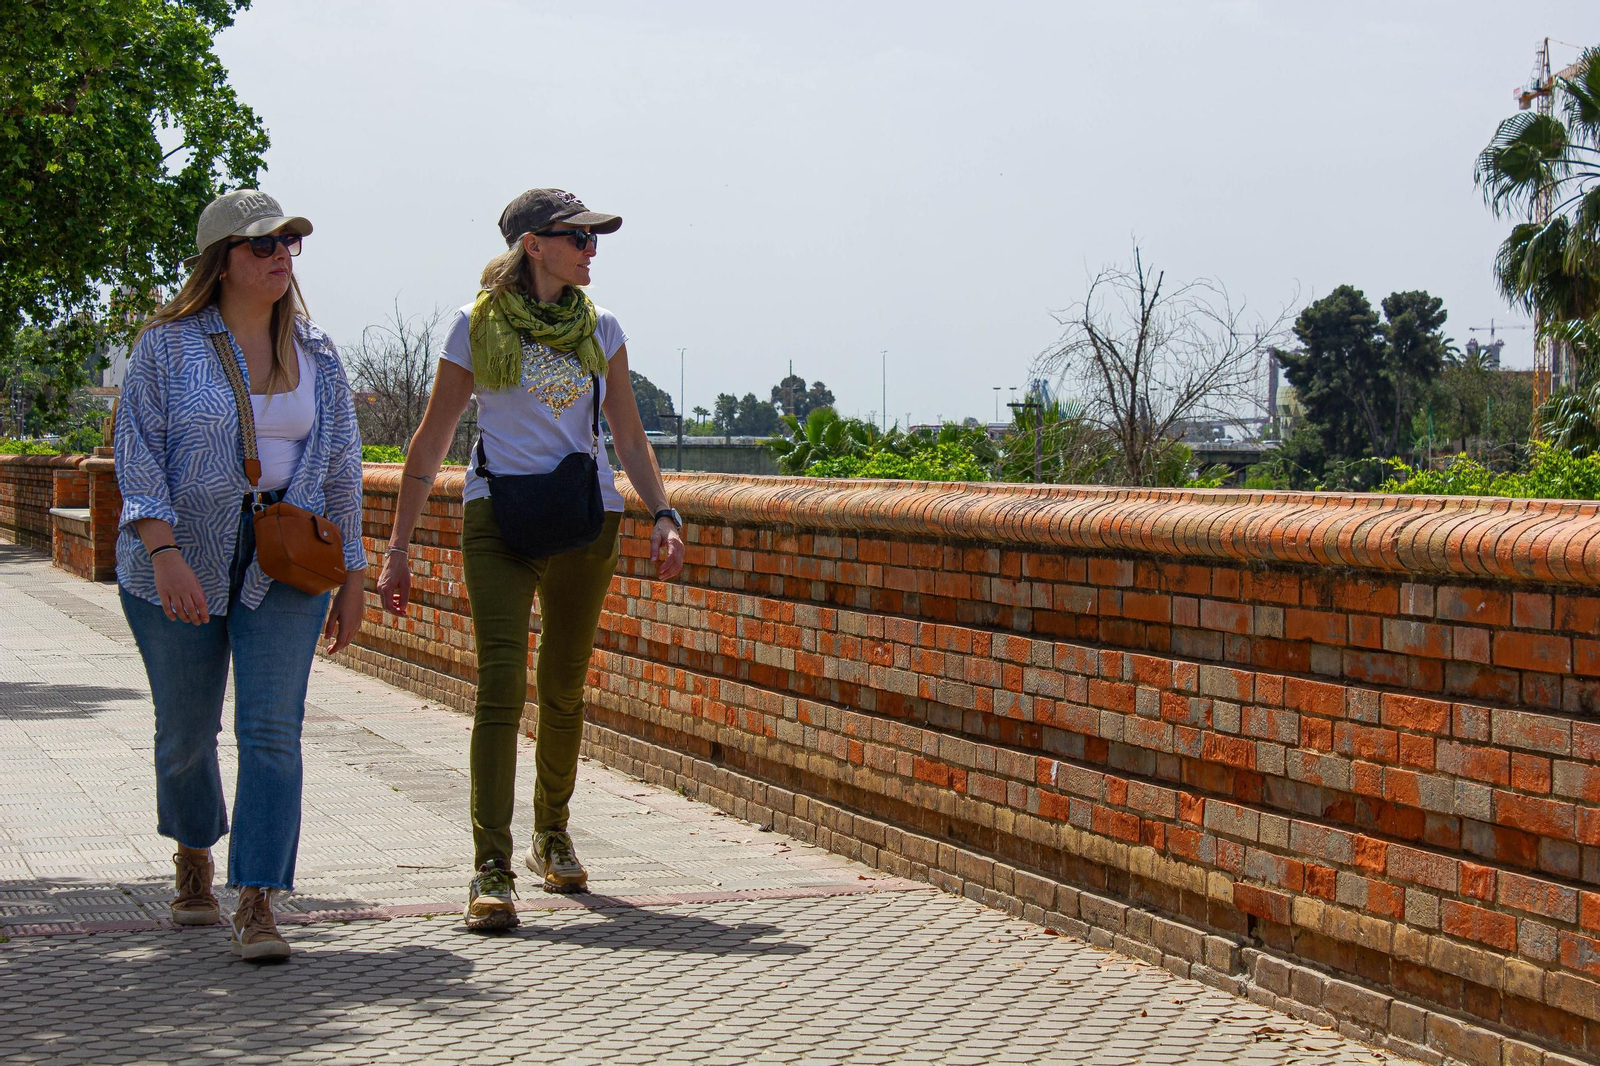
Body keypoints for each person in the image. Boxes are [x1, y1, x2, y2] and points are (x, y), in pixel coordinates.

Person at [377, 188, 685, 931]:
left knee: (565, 687)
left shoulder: (600, 328)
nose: (591, 249)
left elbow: (630, 437)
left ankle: (553, 831)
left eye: (593, 237)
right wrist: (397, 548)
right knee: (500, 685)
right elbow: (430, 440)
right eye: (576, 238)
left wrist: (665, 513)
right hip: (498, 517)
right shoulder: (476, 326)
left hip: (586, 518)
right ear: (533, 246)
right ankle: (491, 865)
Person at [115, 190, 368, 961]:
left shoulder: (319, 354)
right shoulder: (166, 346)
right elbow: (138, 455)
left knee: (271, 731)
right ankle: (194, 850)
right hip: (180, 556)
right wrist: (164, 555)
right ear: (222, 261)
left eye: (288, 243)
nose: (280, 256)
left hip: (286, 562)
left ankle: (256, 898)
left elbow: (345, 472)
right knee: (187, 735)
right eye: (262, 246)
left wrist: (353, 575)